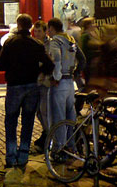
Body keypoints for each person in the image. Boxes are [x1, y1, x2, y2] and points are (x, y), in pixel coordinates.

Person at [0, 14, 54, 169]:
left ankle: (10, 155)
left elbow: (0, 65)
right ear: (31, 27)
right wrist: (37, 70)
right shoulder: (37, 44)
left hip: (15, 85)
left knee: (11, 121)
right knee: (27, 121)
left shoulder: (10, 43)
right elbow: (50, 65)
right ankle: (23, 156)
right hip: (31, 86)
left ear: (19, 25)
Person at [48, 18, 86, 147]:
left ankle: (60, 148)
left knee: (59, 117)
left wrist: (56, 77)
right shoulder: (71, 40)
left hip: (60, 83)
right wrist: (76, 73)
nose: (48, 32)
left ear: (52, 28)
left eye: (49, 29)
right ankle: (72, 146)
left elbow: (56, 59)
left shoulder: (55, 41)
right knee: (71, 115)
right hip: (70, 82)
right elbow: (82, 59)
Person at [32, 20, 51, 151]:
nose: (37, 33)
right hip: (36, 81)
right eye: (35, 31)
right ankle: (46, 132)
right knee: (38, 111)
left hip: (45, 81)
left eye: (39, 31)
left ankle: (48, 136)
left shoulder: (50, 44)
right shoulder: (34, 43)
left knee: (44, 110)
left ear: (45, 31)